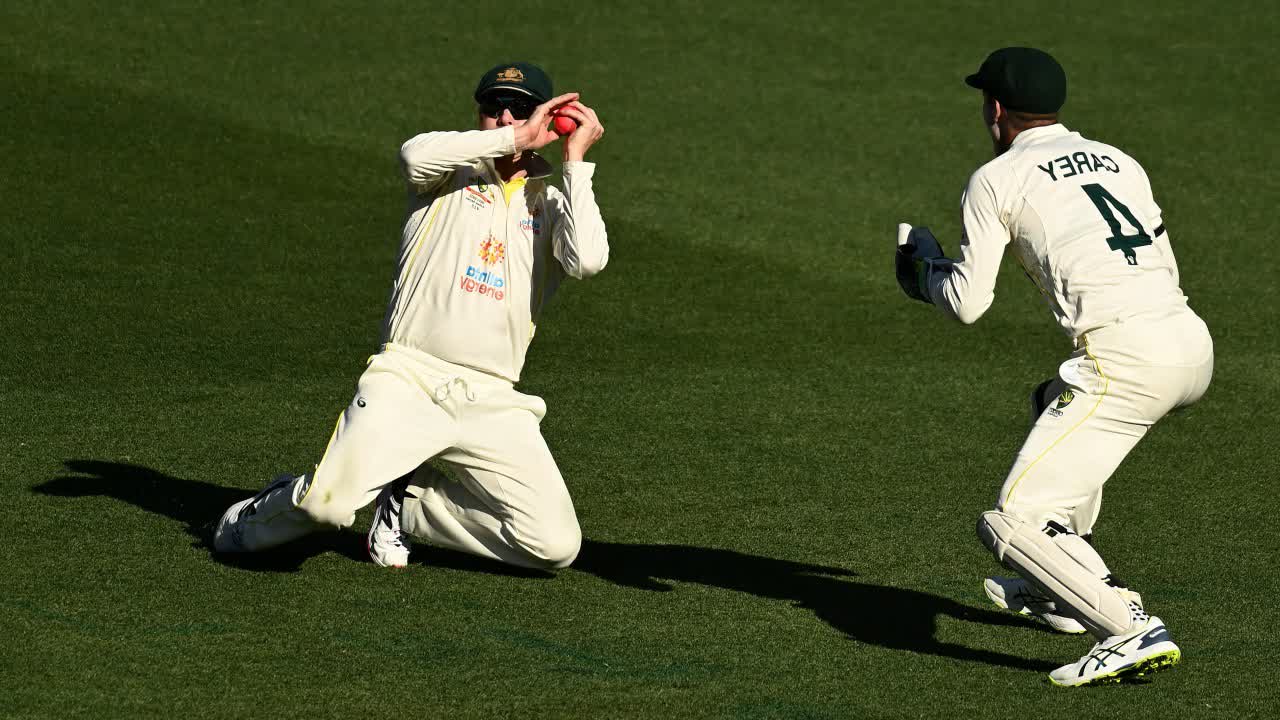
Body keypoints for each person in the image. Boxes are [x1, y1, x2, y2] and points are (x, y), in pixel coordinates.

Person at [894, 47, 1212, 686]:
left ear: (996, 108)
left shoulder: (997, 178)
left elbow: (967, 303)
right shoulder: (1121, 160)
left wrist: (921, 272)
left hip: (1124, 362)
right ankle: (1061, 589)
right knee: (1052, 404)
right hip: (1190, 341)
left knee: (1010, 518)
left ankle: (1127, 627)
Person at [214, 61, 608, 572]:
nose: (505, 115)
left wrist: (576, 162)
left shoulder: (551, 204)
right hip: (410, 377)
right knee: (325, 508)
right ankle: (246, 522)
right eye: (493, 107)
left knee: (553, 545)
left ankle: (406, 499)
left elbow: (587, 261)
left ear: (551, 118)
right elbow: (411, 153)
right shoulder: (446, 173)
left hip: (494, 397)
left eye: (521, 108)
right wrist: (514, 138)